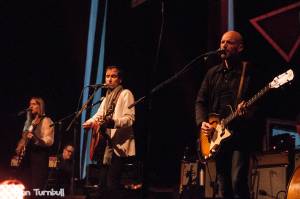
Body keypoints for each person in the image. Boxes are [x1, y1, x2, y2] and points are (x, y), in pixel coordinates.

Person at [195, 31, 255, 199]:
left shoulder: (248, 71)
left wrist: (249, 109)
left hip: (239, 135)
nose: (224, 46)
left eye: (229, 43)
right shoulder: (212, 73)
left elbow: (259, 104)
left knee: (237, 181)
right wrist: (202, 123)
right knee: (223, 185)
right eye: (222, 42)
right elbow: (200, 101)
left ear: (240, 47)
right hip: (217, 135)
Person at [83, 65, 136, 199]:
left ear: (120, 79)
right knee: (102, 185)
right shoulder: (106, 97)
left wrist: (113, 122)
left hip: (119, 146)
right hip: (106, 146)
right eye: (107, 76)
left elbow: (130, 119)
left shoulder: (126, 94)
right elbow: (99, 115)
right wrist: (89, 122)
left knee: (112, 185)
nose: (109, 79)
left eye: (113, 76)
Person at [15, 97, 55, 192]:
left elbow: (49, 140)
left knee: (37, 187)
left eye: (33, 104)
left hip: (39, 158)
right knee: (27, 187)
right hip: (30, 157)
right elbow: (25, 137)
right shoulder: (32, 122)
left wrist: (35, 138)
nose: (30, 106)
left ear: (39, 106)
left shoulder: (46, 120)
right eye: (30, 104)